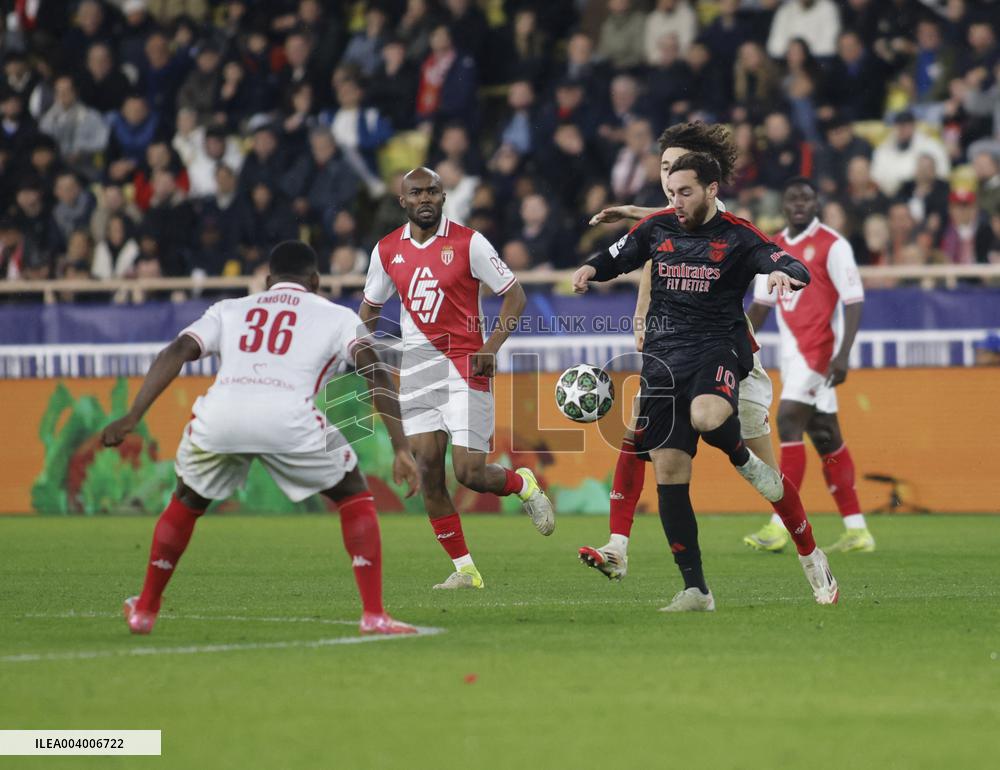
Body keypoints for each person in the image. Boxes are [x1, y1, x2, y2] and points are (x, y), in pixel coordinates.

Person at [102, 241, 420, 636]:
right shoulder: (338, 317)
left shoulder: (231, 309)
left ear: (268, 281)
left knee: (187, 500)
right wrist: (401, 447)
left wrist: (134, 415)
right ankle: (373, 615)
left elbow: (180, 348)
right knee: (353, 494)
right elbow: (373, 368)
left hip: (221, 416)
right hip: (289, 418)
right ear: (316, 281)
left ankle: (145, 610)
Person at [573, 151, 839, 611]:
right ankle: (696, 589)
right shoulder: (657, 229)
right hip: (662, 359)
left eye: (685, 192)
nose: (675, 201)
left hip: (718, 348)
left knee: (706, 414)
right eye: (671, 193)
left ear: (712, 189)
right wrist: (589, 271)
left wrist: (780, 272)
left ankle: (810, 553)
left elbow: (792, 265)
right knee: (670, 469)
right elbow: (617, 256)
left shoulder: (737, 235)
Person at [358, 167, 554, 590]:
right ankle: (465, 569)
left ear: (444, 197)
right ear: (403, 201)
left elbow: (514, 296)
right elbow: (370, 311)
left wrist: (491, 348)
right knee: (428, 467)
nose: (424, 198)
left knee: (468, 471)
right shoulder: (387, 250)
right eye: (416, 193)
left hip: (466, 362)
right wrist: (355, 346)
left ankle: (523, 484)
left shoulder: (469, 243)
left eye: (432, 191)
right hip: (416, 368)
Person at [745, 178, 873, 553]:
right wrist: (733, 341)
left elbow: (853, 300)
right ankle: (857, 530)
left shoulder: (833, 245)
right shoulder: (773, 250)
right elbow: (760, 308)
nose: (800, 203)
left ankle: (779, 525)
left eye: (806, 197)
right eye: (793, 198)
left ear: (816, 202)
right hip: (793, 355)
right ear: (784, 205)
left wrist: (845, 353)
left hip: (820, 353)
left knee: (787, 419)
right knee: (825, 435)